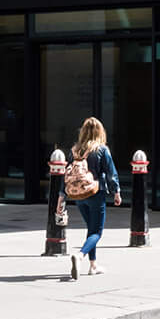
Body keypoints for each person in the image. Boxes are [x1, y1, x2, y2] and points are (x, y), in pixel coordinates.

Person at [67, 116, 120, 279]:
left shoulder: (75, 150)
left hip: (79, 195)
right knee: (96, 232)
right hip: (95, 193)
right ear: (100, 132)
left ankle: (93, 265)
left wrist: (62, 197)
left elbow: (67, 173)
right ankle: (80, 255)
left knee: (91, 229)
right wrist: (116, 192)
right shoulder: (101, 150)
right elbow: (111, 173)